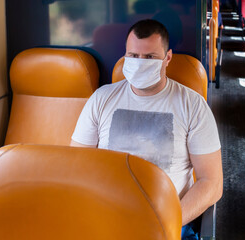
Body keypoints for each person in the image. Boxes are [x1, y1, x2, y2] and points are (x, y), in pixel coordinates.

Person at [71, 19, 223, 238]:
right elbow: (77, 163)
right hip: (106, 215)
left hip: (167, 220)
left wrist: (167, 222)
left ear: (167, 58)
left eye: (150, 57)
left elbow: (211, 182)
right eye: (133, 56)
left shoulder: (192, 106)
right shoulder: (101, 99)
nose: (140, 63)